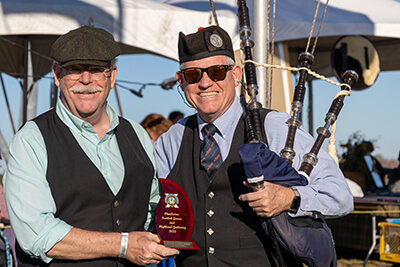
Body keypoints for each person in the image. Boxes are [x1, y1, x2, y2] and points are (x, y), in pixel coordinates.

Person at [154, 25, 354, 266]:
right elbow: (152, 205)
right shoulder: (172, 139)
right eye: (193, 74)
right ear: (181, 81)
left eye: (216, 71)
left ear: (236, 74)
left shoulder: (274, 127)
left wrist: (290, 197)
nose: (205, 83)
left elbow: (340, 196)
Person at [4, 26, 179, 266]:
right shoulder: (32, 139)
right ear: (57, 74)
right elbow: (38, 235)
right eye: (75, 70)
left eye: (97, 70)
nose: (86, 80)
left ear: (113, 76)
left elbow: (153, 211)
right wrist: (123, 245)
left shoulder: (137, 134)